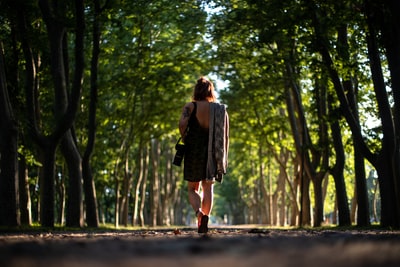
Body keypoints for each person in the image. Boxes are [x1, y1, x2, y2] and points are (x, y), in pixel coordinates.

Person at [178, 77, 229, 233]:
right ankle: (205, 218)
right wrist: (223, 156)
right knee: (208, 188)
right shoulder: (221, 110)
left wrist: (185, 137)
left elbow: (182, 124)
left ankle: (199, 214)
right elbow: (226, 135)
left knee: (192, 188)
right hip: (213, 151)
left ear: (196, 90)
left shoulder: (191, 106)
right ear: (211, 90)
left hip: (194, 150)